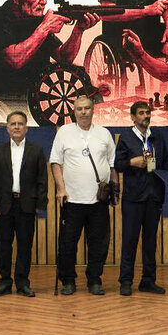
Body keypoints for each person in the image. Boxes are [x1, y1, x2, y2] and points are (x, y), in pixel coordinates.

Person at [0, 0, 100, 100]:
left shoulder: (34, 19)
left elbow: (64, 58)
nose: (44, 1)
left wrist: (78, 30)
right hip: (4, 98)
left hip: (38, 95)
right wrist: (44, 28)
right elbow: (15, 60)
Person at [50, 95, 116, 295]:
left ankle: (94, 280)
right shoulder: (64, 132)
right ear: (74, 111)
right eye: (79, 109)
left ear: (93, 110)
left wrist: (115, 188)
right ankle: (68, 280)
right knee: (68, 244)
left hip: (99, 201)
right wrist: (61, 189)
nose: (83, 112)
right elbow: (55, 163)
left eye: (87, 108)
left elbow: (112, 165)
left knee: (98, 244)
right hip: (72, 200)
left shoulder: (104, 133)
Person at [115, 101, 168, 296]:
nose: (146, 116)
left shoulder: (157, 137)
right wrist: (131, 162)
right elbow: (117, 164)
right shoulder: (126, 138)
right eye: (141, 113)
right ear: (133, 117)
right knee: (130, 240)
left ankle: (148, 281)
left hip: (154, 195)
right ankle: (126, 281)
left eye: (148, 113)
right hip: (133, 197)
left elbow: (165, 163)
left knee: (150, 242)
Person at [0, 110, 47, 297]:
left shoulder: (36, 150)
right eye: (13, 124)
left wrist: (39, 204)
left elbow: (42, 180)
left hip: (27, 205)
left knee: (25, 246)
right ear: (7, 128)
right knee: (3, 245)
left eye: (20, 124)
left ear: (26, 128)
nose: (17, 127)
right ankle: (4, 282)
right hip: (4, 206)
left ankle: (22, 282)